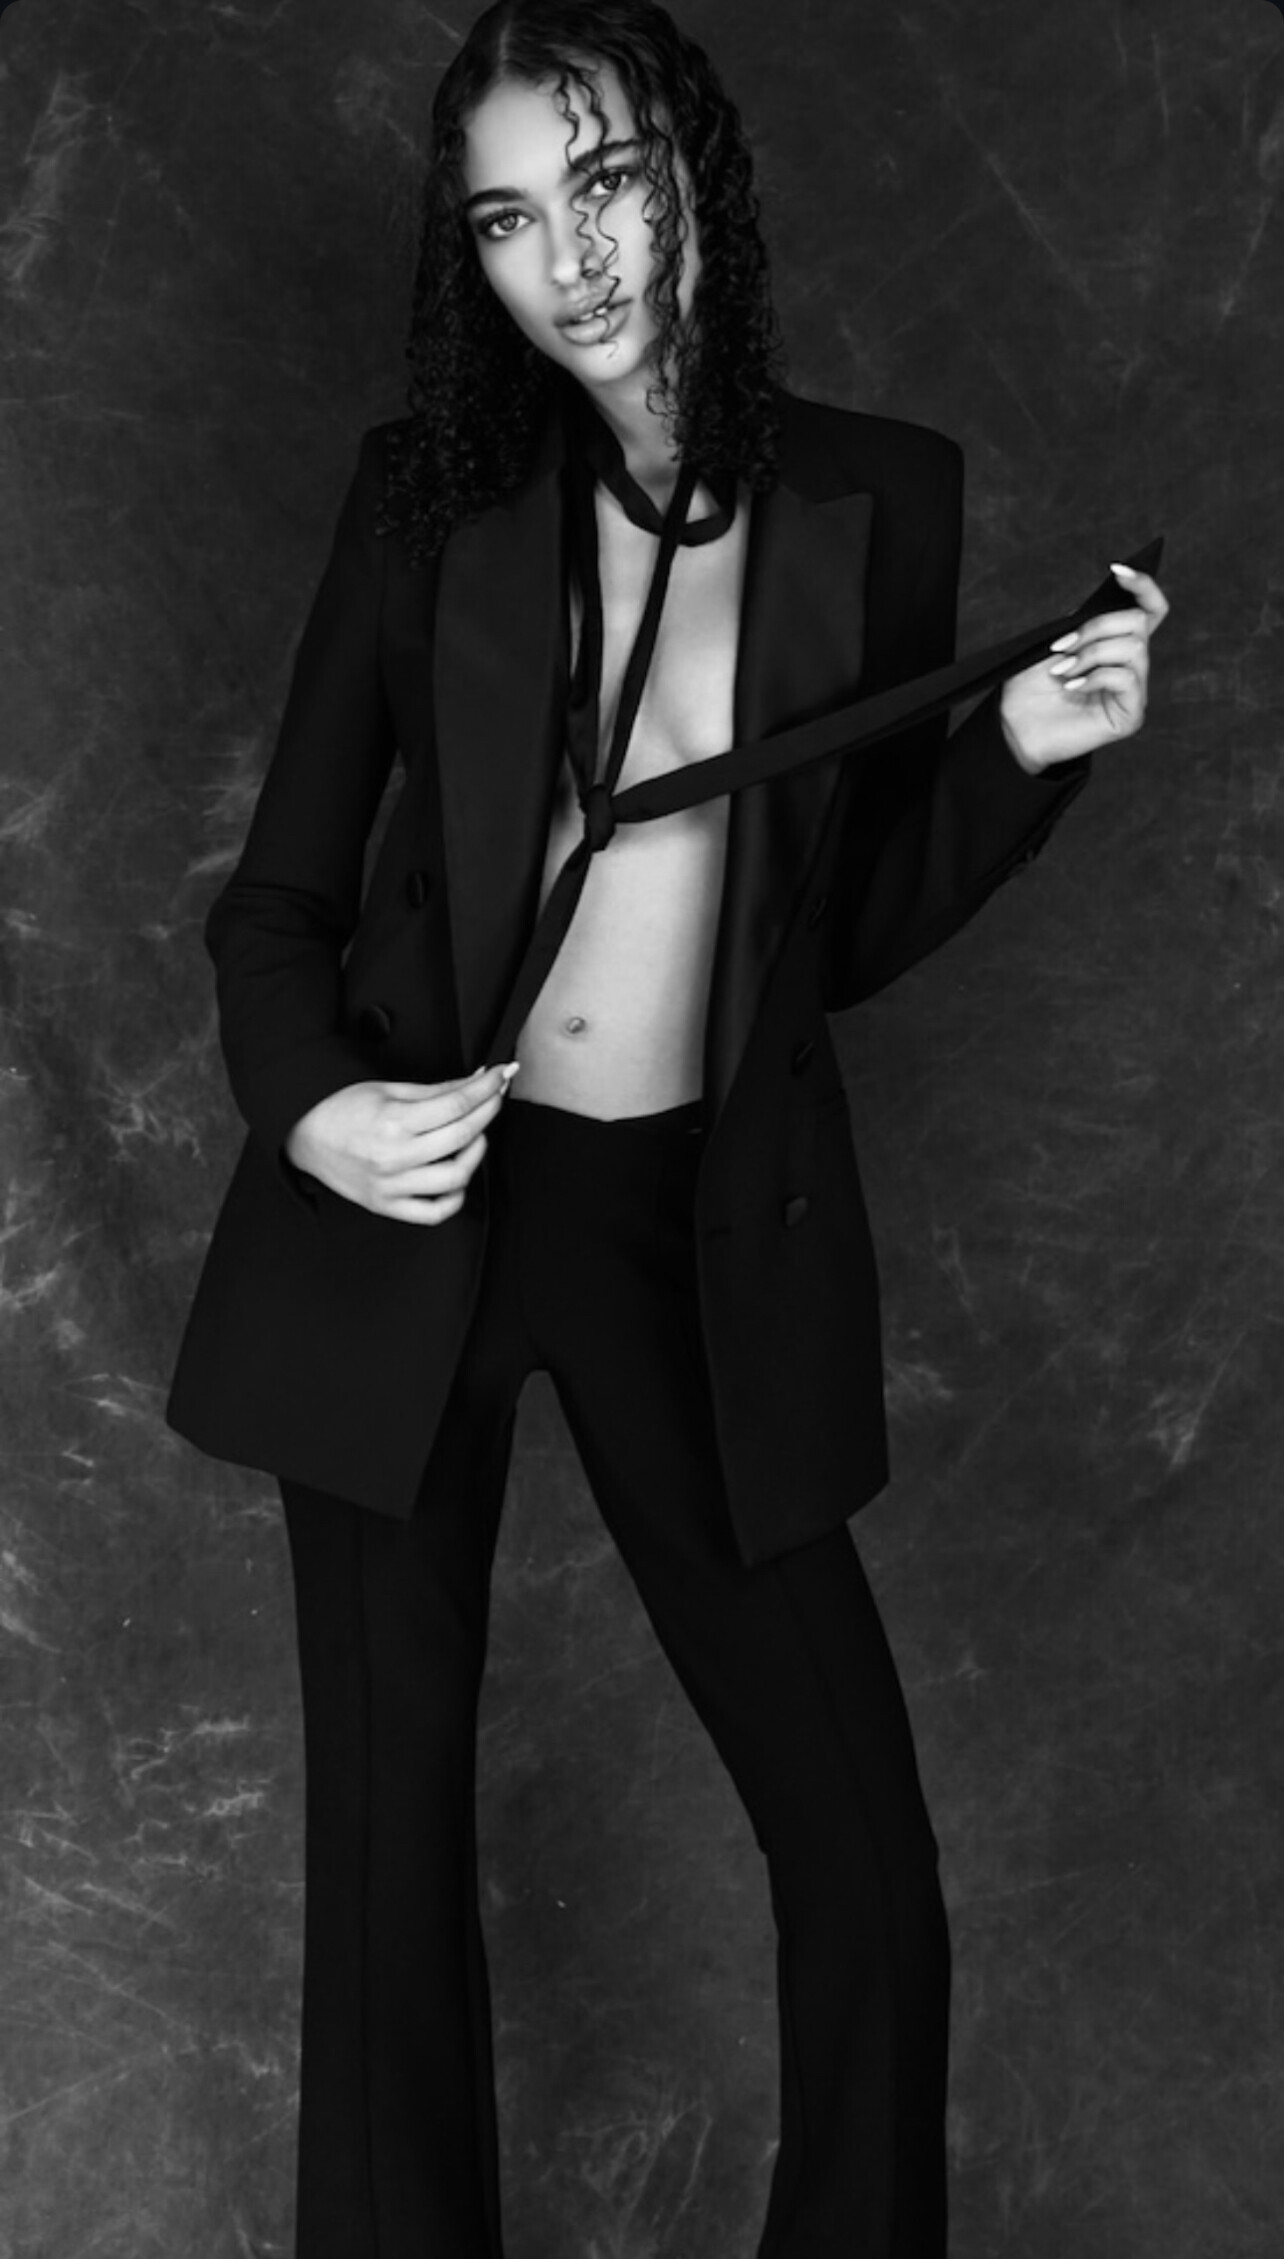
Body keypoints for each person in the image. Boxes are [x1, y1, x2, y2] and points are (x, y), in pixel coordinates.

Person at [166, 2, 1169, 2253]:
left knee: (863, 1861)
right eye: (509, 219)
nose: (574, 257)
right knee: (386, 1863)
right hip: (413, 1204)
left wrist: (1022, 752)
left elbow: (835, 932)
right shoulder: (427, 499)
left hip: (680, 1218)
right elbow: (279, 902)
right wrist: (318, 1115)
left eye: (606, 180)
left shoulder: (877, 499)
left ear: (694, 172)